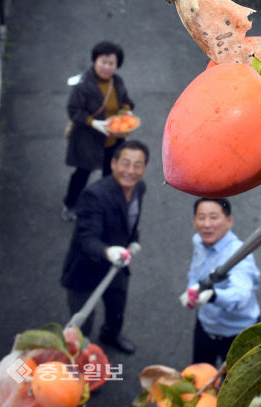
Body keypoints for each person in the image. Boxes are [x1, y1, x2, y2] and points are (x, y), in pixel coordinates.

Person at [60, 140, 149, 355]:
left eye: (138, 165)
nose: (130, 171)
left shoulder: (139, 188)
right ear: (113, 163)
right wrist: (108, 251)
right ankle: (81, 364)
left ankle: (111, 335)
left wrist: (133, 239)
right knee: (83, 323)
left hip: (117, 267)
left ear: (144, 168)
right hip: (86, 268)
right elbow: (86, 238)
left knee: (117, 306)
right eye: (125, 163)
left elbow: (130, 219)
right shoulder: (95, 195)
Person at [179, 198, 261, 366]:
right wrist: (191, 289)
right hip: (205, 326)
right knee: (199, 374)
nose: (207, 224)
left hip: (238, 335)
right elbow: (195, 271)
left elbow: (241, 295)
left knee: (234, 387)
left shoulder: (239, 254)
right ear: (194, 221)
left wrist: (213, 296)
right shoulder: (199, 242)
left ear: (229, 221)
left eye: (214, 217)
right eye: (201, 217)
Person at [62, 41, 135, 222]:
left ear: (117, 65)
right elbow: (74, 111)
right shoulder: (84, 85)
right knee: (82, 174)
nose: (107, 67)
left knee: (110, 176)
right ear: (95, 61)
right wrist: (94, 123)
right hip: (88, 140)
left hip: (113, 140)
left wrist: (126, 110)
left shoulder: (117, 82)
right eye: (103, 62)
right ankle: (70, 205)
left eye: (111, 63)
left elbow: (125, 100)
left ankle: (104, 205)